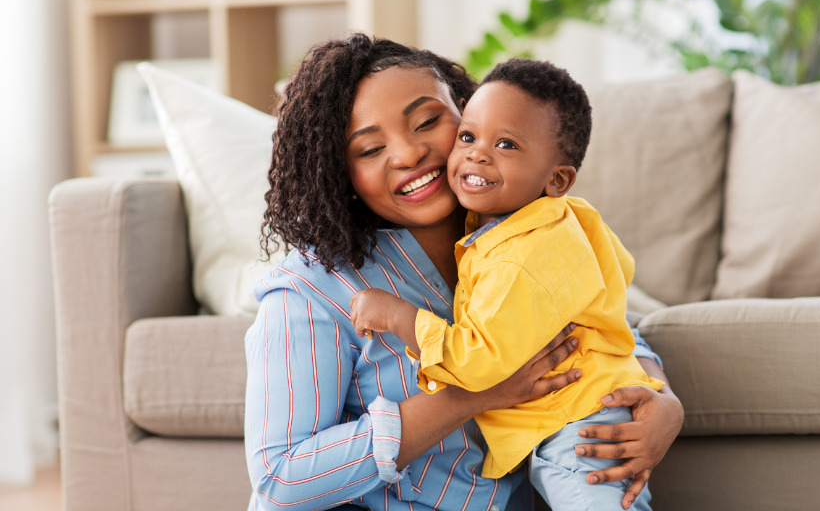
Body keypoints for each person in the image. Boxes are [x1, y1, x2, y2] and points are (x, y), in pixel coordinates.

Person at [245, 33, 684, 511]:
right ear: (339, 172)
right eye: (370, 150)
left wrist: (662, 401)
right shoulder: (311, 288)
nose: (408, 154)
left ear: (465, 107)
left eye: (428, 121)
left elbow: (601, 319)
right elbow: (280, 477)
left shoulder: (529, 228)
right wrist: (469, 395)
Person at [349, 58, 664, 510]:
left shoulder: (518, 255)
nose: (478, 154)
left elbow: (480, 364)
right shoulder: (561, 217)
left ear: (557, 179)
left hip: (575, 425)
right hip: (588, 406)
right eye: (468, 136)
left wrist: (399, 316)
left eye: (507, 145)